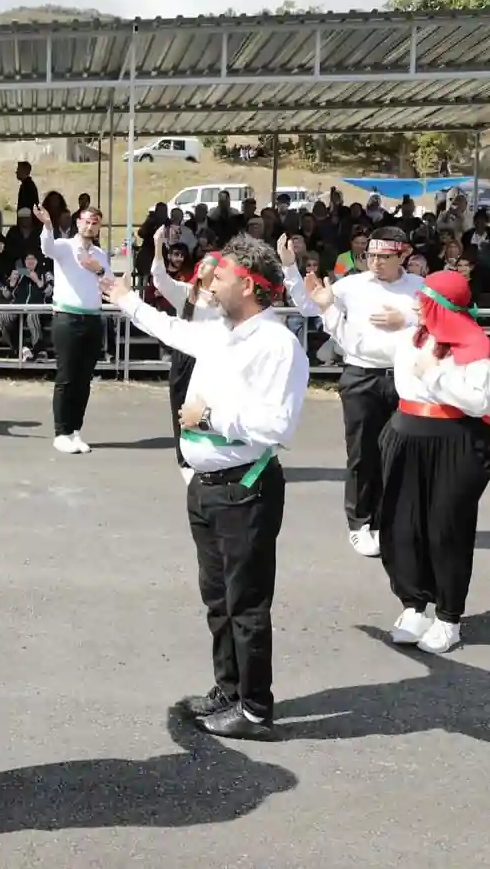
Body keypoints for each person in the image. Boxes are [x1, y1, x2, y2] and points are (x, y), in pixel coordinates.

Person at [103, 235, 309, 741]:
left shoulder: (277, 344)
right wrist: (128, 301)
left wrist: (210, 417)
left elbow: (277, 425)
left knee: (247, 603)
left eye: (221, 274)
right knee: (218, 599)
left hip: (246, 487)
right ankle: (229, 690)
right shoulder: (222, 331)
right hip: (208, 486)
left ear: (250, 284)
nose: (211, 280)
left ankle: (256, 710)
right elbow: (175, 331)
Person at [306, 269, 490, 655]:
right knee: (400, 525)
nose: (415, 304)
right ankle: (414, 606)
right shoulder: (412, 337)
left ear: (439, 306)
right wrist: (329, 310)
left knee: (445, 529)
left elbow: (481, 401)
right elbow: (358, 344)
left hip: (454, 441)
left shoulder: (474, 345)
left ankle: (448, 618)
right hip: (405, 435)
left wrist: (436, 379)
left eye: (422, 299)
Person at [279, 227, 422, 558]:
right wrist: (290, 268)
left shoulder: (418, 288)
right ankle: (361, 523)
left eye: (384, 257)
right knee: (363, 453)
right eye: (370, 256)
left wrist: (406, 319)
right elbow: (308, 305)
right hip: (362, 376)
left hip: (406, 376)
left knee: (400, 453)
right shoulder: (352, 286)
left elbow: (444, 317)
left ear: (404, 254)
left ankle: (392, 521)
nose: (375, 263)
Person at [34, 203, 111, 454]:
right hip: (67, 318)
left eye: (95, 222)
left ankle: (75, 430)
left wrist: (96, 268)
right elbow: (47, 248)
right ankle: (61, 431)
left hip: (92, 318)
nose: (90, 226)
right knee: (66, 377)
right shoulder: (65, 247)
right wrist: (47, 224)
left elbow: (109, 283)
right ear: (78, 222)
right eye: (86, 221)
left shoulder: (100, 254)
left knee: (83, 379)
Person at [150, 227, 222, 483]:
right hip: (185, 358)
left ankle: (209, 456)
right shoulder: (185, 293)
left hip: (212, 359)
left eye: (211, 264)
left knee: (209, 409)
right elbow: (159, 278)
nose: (204, 266)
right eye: (202, 262)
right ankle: (185, 460)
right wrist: (158, 246)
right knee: (181, 407)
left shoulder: (225, 300)